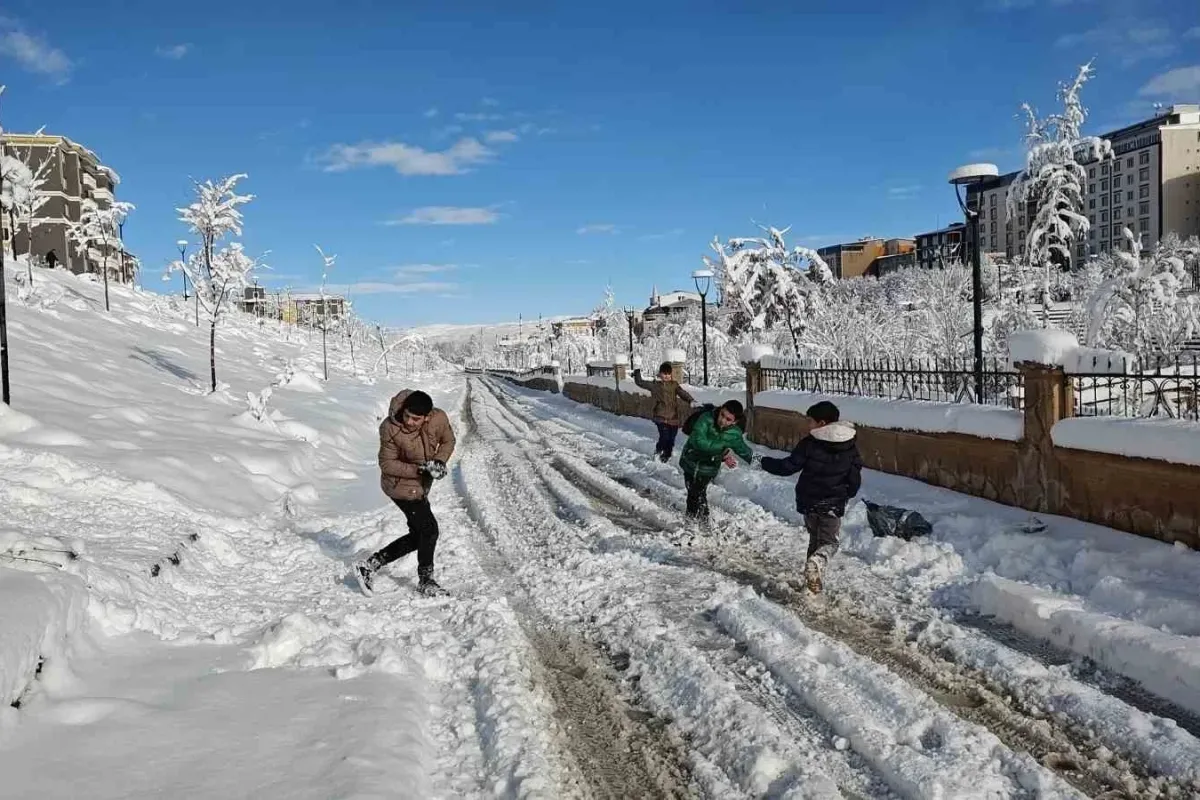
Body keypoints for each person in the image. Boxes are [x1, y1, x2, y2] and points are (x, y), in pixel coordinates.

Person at [354, 389, 456, 597]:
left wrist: (439, 461)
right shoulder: (390, 428)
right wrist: (421, 469)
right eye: (407, 415)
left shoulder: (439, 418)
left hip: (420, 484)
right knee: (429, 531)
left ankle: (370, 565)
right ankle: (426, 581)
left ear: (427, 417)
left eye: (416, 419)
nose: (409, 421)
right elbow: (387, 463)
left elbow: (448, 441)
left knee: (420, 535)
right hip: (398, 485)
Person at [759, 400, 862, 594]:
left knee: (815, 541)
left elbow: (788, 467)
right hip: (832, 504)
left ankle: (811, 581)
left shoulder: (809, 444)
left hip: (809, 502)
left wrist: (763, 462)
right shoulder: (850, 446)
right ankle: (817, 564)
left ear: (822, 423)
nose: (808, 425)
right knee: (829, 543)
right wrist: (847, 494)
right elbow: (854, 477)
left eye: (810, 421)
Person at [678, 399, 753, 523]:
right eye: (722, 415)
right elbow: (699, 442)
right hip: (691, 461)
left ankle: (697, 522)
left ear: (735, 421)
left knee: (696, 493)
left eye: (728, 419)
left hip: (709, 467)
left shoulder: (734, 434)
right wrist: (723, 452)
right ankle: (696, 522)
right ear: (720, 409)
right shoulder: (706, 419)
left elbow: (745, 452)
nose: (722, 420)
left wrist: (765, 463)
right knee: (694, 492)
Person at [633, 361, 695, 462]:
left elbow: (682, 393)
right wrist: (637, 371)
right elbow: (640, 382)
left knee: (671, 440)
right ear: (660, 374)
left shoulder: (674, 385)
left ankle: (666, 456)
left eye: (668, 374)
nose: (666, 376)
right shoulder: (655, 385)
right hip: (660, 417)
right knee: (664, 437)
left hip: (673, 418)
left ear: (671, 374)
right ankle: (658, 452)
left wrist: (690, 400)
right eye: (664, 373)